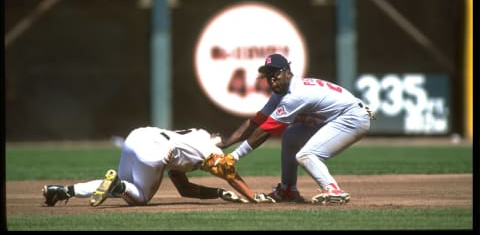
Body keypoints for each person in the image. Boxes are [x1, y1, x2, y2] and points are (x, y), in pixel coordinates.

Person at [219, 54, 375, 204]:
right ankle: (288, 190)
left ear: (287, 73)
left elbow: (266, 130)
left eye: (275, 74)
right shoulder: (280, 94)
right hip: (332, 118)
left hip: (352, 117)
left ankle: (333, 190)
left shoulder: (296, 95)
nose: (272, 80)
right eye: (268, 76)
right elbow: (255, 122)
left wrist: (234, 156)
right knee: (290, 137)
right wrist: (226, 143)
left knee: (306, 155)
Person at [42, 126, 274, 207]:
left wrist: (219, 193)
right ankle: (119, 185)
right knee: (139, 197)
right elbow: (232, 176)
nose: (219, 137)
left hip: (138, 136)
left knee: (117, 189)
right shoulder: (212, 151)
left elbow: (185, 190)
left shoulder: (195, 136)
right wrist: (252, 197)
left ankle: (62, 191)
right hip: (157, 150)